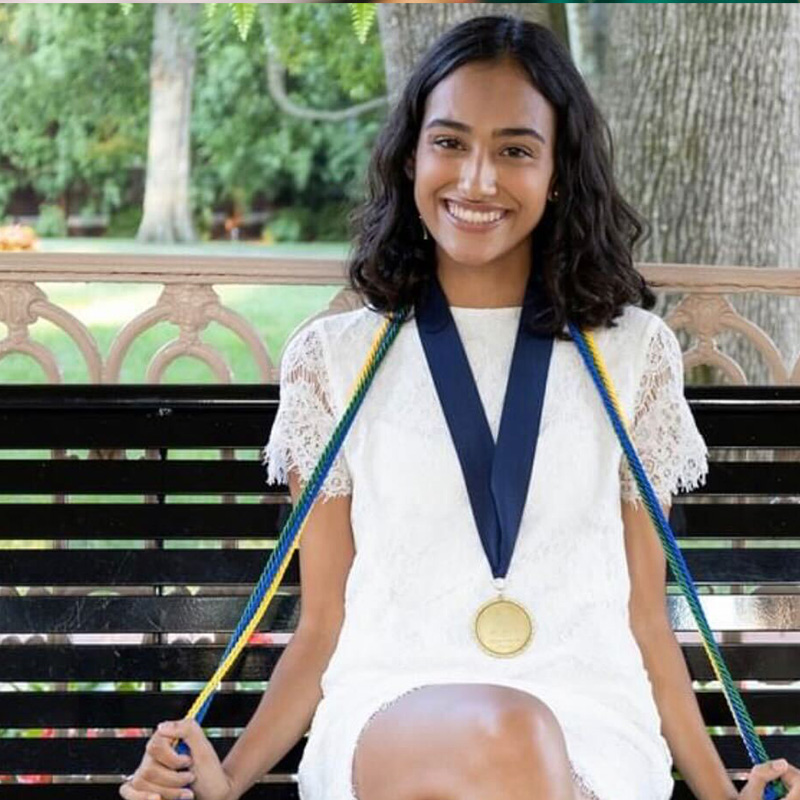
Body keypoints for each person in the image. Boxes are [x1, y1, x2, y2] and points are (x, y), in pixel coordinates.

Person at [120, 15, 799, 800]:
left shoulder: (630, 354)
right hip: (391, 712)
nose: (477, 179)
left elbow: (648, 615)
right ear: (411, 156)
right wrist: (226, 779)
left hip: (590, 726)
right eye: (450, 142)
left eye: (514, 150)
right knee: (503, 735)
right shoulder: (335, 360)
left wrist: (724, 793)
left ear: (557, 174)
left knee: (521, 745)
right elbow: (324, 621)